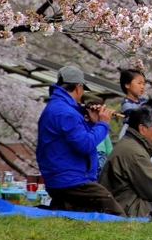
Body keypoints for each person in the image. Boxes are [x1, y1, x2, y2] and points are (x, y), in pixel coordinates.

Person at [36, 65, 125, 216]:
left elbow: (74, 139)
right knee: (113, 211)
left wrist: (92, 123)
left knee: (76, 216)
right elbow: (84, 145)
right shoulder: (66, 113)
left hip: (59, 179)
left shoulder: (56, 107)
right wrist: (103, 123)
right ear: (78, 87)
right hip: (71, 180)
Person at [118, 69, 147, 139]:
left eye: (144, 84)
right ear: (127, 85)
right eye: (139, 83)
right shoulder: (126, 104)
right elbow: (136, 120)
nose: (142, 87)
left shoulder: (144, 101)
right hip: (133, 134)